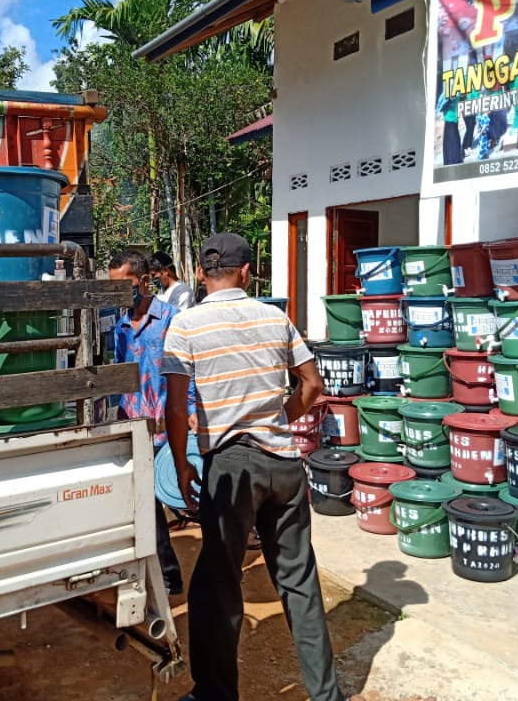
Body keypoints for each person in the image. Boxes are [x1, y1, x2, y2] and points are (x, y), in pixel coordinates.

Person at [162, 232, 362, 701]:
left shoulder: (186, 325)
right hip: (285, 467)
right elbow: (312, 384)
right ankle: (327, 695)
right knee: (299, 582)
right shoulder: (275, 317)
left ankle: (215, 693)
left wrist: (181, 464)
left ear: (199, 274)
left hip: (231, 469)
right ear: (247, 271)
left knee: (218, 583)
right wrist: (279, 420)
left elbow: (175, 409)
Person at [108, 249, 191, 596]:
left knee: (185, 495)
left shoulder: (173, 320)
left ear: (144, 281)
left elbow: (189, 374)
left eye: (122, 286)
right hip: (134, 428)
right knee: (148, 507)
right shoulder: (121, 326)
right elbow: (119, 374)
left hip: (168, 428)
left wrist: (188, 416)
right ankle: (167, 575)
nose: (117, 295)